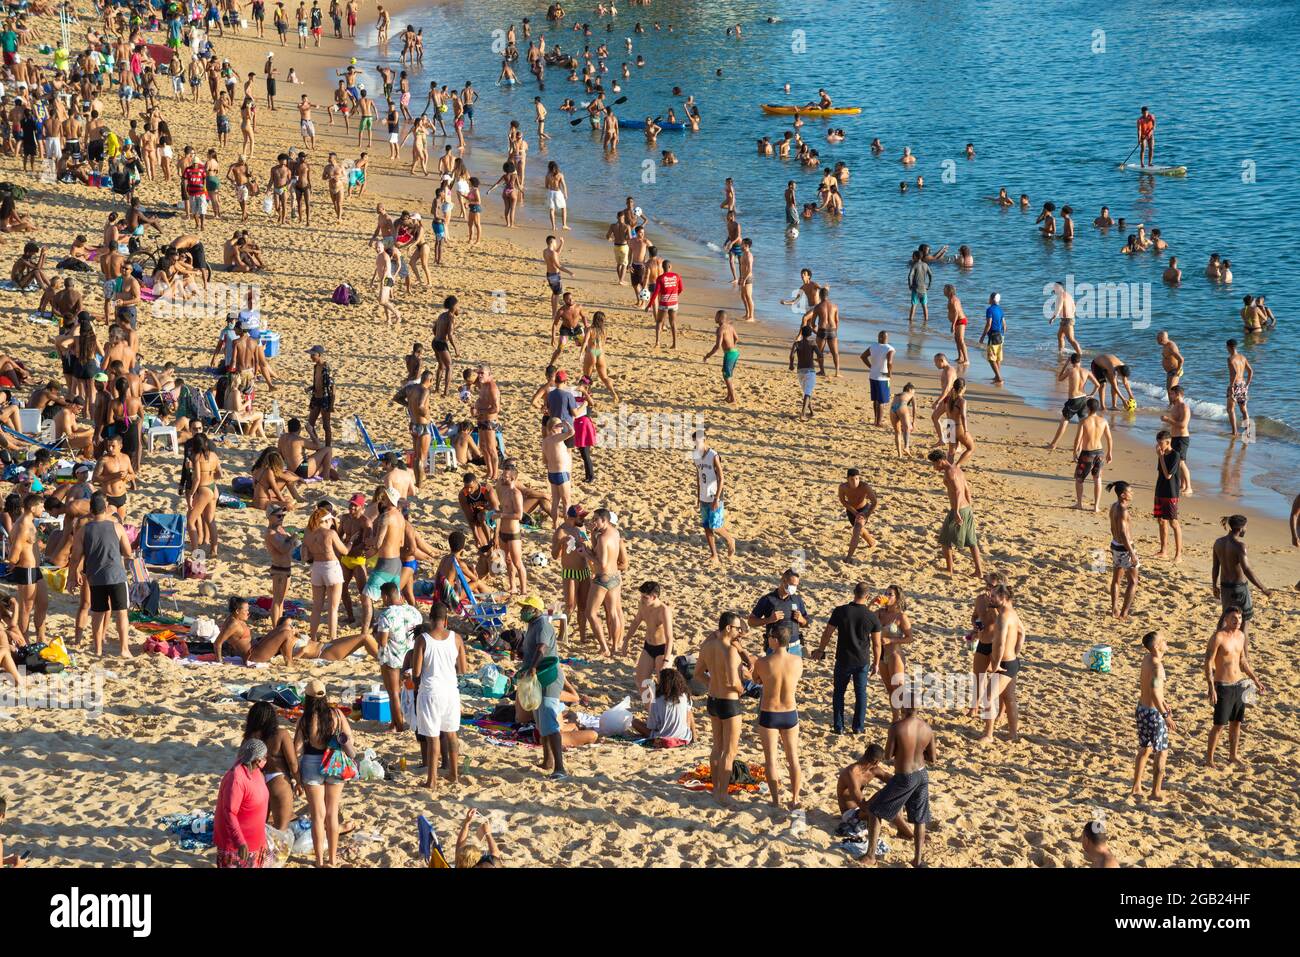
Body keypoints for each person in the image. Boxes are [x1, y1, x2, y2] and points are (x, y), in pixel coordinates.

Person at [862, 695, 934, 868]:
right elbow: (932, 758)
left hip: (905, 776)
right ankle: (917, 860)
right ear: (917, 708)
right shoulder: (927, 729)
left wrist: (905, 752)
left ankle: (871, 855)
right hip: (922, 774)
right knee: (919, 818)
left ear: (903, 708)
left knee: (875, 810)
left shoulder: (897, 727)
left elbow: (888, 755)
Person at [294, 678, 355, 868]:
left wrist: (296, 778)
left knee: (317, 816)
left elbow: (296, 749)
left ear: (308, 698)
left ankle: (320, 861)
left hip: (311, 763)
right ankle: (333, 860)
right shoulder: (336, 714)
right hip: (334, 761)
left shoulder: (304, 720)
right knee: (331, 813)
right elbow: (349, 739)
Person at [66, 492, 133, 657]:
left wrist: (71, 577)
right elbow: (128, 552)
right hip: (116, 575)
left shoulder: (83, 530)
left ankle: (97, 650)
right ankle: (124, 649)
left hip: (95, 577)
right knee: (121, 613)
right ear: (105, 509)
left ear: (91, 510)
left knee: (97, 613)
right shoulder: (117, 526)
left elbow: (75, 558)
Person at [813, 582, 882, 735]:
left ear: (854, 593)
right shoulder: (872, 617)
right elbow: (877, 644)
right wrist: (876, 663)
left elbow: (827, 633)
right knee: (861, 694)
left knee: (839, 693)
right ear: (868, 596)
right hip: (862, 660)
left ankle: (839, 726)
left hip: (843, 658)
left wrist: (820, 650)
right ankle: (858, 727)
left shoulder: (840, 611)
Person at [411, 607, 467, 792]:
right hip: (451, 691)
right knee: (451, 734)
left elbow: (417, 672)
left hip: (431, 692)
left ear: (430, 618)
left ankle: (432, 780)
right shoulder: (456, 638)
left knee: (433, 737)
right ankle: (454, 774)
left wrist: (415, 685)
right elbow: (463, 669)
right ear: (446, 620)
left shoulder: (422, 640)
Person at [698, 611, 750, 807]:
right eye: (737, 628)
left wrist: (713, 683)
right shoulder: (730, 651)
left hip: (712, 699)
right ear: (728, 628)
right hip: (729, 702)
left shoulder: (707, 647)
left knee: (717, 747)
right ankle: (722, 793)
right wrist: (743, 688)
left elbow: (698, 674)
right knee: (729, 751)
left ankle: (715, 789)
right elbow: (734, 682)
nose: (739, 632)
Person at [1204, 606, 1264, 769]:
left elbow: (1243, 661)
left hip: (1239, 684)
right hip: (1223, 686)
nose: (1237, 622)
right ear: (1226, 618)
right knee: (1219, 725)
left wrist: (1255, 679)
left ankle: (1233, 755)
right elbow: (1208, 662)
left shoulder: (1241, 636)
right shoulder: (1218, 637)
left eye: (1239, 618)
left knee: (1236, 722)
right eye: (1233, 618)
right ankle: (1209, 759)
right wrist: (1211, 686)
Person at [752, 622, 803, 810]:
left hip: (769, 713)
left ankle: (775, 800)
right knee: (793, 758)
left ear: (774, 640)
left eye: (769, 637)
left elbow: (756, 679)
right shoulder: (797, 661)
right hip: (790, 712)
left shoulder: (763, 662)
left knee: (771, 759)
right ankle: (795, 798)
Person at [518, 595, 567, 778]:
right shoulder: (532, 625)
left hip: (548, 677)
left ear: (536, 610)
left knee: (549, 718)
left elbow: (542, 649)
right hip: (537, 677)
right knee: (541, 721)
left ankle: (560, 768)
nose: (523, 611)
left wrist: (532, 668)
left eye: (526, 607)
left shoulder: (542, 625)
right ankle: (548, 761)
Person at [372, 581, 424, 732]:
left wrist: (375, 634)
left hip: (392, 658)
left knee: (394, 693)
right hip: (411, 657)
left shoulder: (386, 614)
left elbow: (382, 641)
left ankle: (399, 726)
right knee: (409, 692)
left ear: (386, 597)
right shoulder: (414, 611)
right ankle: (395, 723)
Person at [243, 702, 302, 829]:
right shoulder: (281, 734)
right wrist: (299, 782)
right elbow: (292, 762)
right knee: (281, 829)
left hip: (257, 782)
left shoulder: (248, 739)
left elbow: (241, 763)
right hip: (278, 781)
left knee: (258, 827)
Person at [213, 738, 270, 868]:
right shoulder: (236, 779)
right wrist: (240, 841)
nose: (266, 760)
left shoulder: (256, 772)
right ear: (257, 760)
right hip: (237, 846)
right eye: (264, 757)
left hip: (255, 841)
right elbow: (229, 812)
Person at [1133, 630, 1176, 800]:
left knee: (1145, 748)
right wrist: (1166, 715)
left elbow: (1151, 690)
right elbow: (1155, 692)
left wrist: (1164, 702)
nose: (1166, 642)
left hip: (1142, 709)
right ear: (1157, 646)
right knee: (1161, 752)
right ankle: (1155, 791)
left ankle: (1136, 786)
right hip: (1153, 715)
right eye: (1163, 641)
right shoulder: (1158, 667)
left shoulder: (1147, 659)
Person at [1211, 515, 1270, 636]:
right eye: (1246, 527)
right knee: (1244, 622)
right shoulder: (1239, 546)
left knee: (1225, 617)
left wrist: (1214, 585)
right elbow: (1247, 570)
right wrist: (1263, 588)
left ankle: (1217, 642)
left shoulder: (1218, 542)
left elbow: (1215, 567)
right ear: (1241, 528)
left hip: (1225, 587)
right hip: (1239, 588)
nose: (1246, 529)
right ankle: (1244, 654)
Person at [928, 450, 983, 577]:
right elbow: (967, 490)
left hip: (958, 510)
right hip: (967, 509)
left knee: (945, 540)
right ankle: (979, 571)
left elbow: (958, 491)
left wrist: (957, 511)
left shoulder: (949, 472)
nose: (933, 467)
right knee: (972, 541)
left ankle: (949, 570)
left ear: (940, 461)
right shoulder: (957, 469)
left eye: (934, 464)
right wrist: (969, 508)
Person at [624, 581, 673, 695]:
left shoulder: (663, 611)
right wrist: (626, 641)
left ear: (654, 597)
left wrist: (666, 661)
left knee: (664, 684)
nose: (641, 599)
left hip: (662, 649)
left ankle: (664, 708)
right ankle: (650, 707)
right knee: (641, 681)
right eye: (641, 596)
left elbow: (670, 638)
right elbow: (636, 622)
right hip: (648, 646)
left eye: (645, 597)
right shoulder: (643, 605)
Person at [692, 429, 735, 561]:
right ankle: (714, 555)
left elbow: (721, 478)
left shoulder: (714, 455)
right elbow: (698, 476)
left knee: (715, 526)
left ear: (704, 440)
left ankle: (730, 539)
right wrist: (698, 496)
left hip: (714, 495)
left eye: (699, 441)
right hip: (703, 495)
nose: (696, 444)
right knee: (706, 526)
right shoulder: (695, 455)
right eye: (695, 441)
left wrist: (717, 498)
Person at [748, 569, 809, 657]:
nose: (794, 588)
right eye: (792, 585)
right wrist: (769, 620)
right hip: (775, 648)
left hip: (795, 648)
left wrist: (801, 619)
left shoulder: (797, 599)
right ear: (783, 581)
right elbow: (751, 621)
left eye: (796, 585)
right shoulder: (767, 599)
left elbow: (806, 623)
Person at [630, 667, 695, 746]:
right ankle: (694, 737)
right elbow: (689, 716)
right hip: (684, 737)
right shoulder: (684, 696)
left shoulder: (657, 700)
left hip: (662, 738)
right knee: (688, 710)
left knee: (634, 722)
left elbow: (652, 726)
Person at [1071, 398, 1113, 512]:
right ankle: (1096, 506)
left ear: (1087, 408)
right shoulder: (1103, 421)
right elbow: (1109, 438)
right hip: (1099, 452)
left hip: (1087, 453)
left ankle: (1079, 504)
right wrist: (1110, 452)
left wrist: (1075, 451)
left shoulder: (1084, 421)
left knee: (1079, 479)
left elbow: (1078, 438)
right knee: (1097, 479)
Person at [1107, 481, 1140, 620]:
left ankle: (1114, 609)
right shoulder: (1123, 510)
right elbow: (1123, 534)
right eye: (1129, 492)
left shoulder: (1113, 506)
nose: (1132, 493)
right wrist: (1132, 553)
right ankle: (1124, 613)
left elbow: (1113, 529)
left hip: (1115, 544)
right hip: (1124, 547)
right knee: (1133, 581)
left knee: (1116, 579)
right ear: (1122, 495)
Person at [1153, 431, 1183, 563]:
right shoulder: (1162, 454)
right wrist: (1161, 456)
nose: (1159, 446)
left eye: (1161, 443)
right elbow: (1160, 473)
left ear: (1168, 442)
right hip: (1160, 490)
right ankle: (1163, 550)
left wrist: (1160, 457)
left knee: (1173, 522)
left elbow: (1168, 475)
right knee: (1160, 520)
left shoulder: (1175, 455)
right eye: (1158, 443)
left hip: (1171, 493)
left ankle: (1178, 554)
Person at [701, 309, 740, 404]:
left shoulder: (720, 329)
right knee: (727, 373)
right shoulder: (730, 327)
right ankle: (728, 396)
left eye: (716, 316)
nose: (714, 318)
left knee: (727, 376)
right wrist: (732, 346)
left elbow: (717, 346)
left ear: (720, 318)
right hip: (735, 352)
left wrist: (708, 355)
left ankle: (733, 398)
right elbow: (737, 338)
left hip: (729, 354)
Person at [838, 468, 877, 559]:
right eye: (852, 479)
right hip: (851, 511)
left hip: (864, 510)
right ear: (847, 479)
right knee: (860, 530)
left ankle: (848, 558)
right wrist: (855, 513)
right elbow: (843, 501)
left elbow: (874, 501)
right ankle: (872, 542)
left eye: (857, 479)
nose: (855, 481)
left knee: (856, 530)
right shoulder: (843, 487)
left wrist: (866, 515)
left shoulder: (865, 486)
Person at [861, 331, 895, 427]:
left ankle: (876, 420)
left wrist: (871, 367)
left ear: (878, 337)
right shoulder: (889, 348)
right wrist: (889, 374)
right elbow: (890, 362)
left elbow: (863, 356)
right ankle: (878, 422)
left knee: (875, 399)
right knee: (881, 401)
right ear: (887, 338)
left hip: (873, 375)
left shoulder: (873, 346)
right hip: (883, 377)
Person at [1225, 339, 1253, 436]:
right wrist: (1247, 384)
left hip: (1235, 385)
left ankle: (1234, 432)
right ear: (1236, 346)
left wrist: (1232, 387)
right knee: (1244, 410)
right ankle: (1248, 432)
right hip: (1243, 385)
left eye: (1226, 347)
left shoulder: (1230, 359)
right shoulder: (1242, 357)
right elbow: (1250, 371)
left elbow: (1234, 373)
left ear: (1229, 347)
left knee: (1230, 409)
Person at [979, 292, 1006, 383]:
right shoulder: (1000, 310)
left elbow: (989, 324)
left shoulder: (989, 310)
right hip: (1000, 336)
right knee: (997, 358)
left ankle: (998, 378)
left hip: (993, 336)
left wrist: (982, 336)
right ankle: (997, 376)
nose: (988, 299)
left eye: (989, 298)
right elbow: (1004, 325)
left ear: (992, 299)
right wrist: (1002, 335)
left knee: (991, 359)